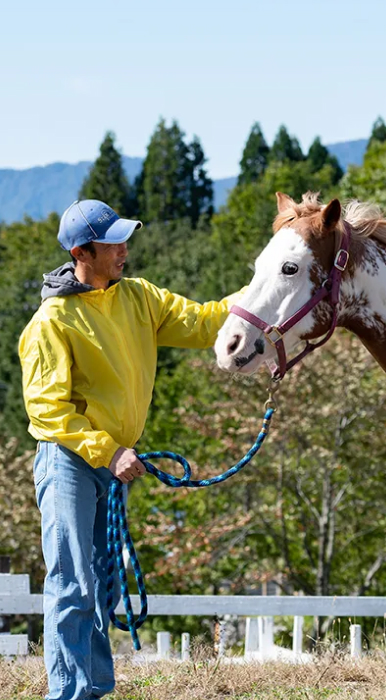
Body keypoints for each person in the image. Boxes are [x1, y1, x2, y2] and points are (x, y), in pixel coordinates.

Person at [18, 200, 246, 700]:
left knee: (104, 586)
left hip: (110, 464)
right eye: (113, 243)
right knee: (73, 583)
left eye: (125, 239)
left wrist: (271, 288)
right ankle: (72, 694)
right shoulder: (51, 323)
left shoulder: (140, 298)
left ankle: (94, 688)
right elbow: (48, 413)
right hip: (70, 464)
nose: (125, 250)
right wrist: (109, 451)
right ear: (82, 252)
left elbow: (205, 321)